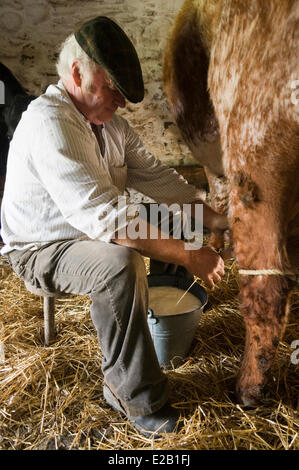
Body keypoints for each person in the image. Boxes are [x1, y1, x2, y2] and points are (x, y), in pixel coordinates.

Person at [0, 16, 228, 437]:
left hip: (92, 229)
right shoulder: (50, 122)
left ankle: (166, 319)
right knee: (120, 262)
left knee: (180, 221)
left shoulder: (111, 126)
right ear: (77, 73)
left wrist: (216, 218)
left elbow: (159, 180)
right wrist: (189, 254)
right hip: (42, 247)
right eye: (114, 90)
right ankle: (134, 395)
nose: (121, 103)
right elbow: (107, 218)